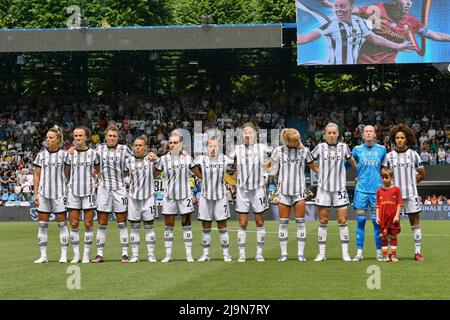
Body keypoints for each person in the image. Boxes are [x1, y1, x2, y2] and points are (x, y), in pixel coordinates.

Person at [319, 0, 450, 64]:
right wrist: (329, 4)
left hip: (388, 63)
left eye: (411, 0)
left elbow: (436, 35)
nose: (408, 3)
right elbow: (349, 10)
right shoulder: (377, 9)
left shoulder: (412, 21)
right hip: (366, 61)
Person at [297, 0, 416, 64]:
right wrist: (286, 37)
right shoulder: (331, 25)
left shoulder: (359, 22)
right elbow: (304, 39)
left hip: (355, 64)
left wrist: (398, 46)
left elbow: (375, 39)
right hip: (334, 66)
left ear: (351, 8)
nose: (338, 10)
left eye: (342, 6)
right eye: (336, 7)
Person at [263, 128, 319, 262]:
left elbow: (314, 167)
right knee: (283, 224)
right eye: (296, 140)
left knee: (301, 223)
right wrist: (261, 171)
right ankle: (283, 254)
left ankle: (300, 254)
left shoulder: (305, 151)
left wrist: (325, 175)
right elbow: (271, 168)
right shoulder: (278, 151)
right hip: (284, 193)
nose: (299, 141)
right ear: (288, 141)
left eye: (299, 138)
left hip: (299, 193)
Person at [311, 122, 357, 262]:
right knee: (323, 220)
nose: (331, 135)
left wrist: (359, 173)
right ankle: (321, 254)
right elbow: (309, 160)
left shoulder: (344, 147)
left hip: (339, 189)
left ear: (338, 134)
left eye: (334, 133)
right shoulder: (320, 147)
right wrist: (317, 170)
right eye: (329, 133)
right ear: (325, 134)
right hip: (323, 189)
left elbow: (353, 162)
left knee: (342, 221)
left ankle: (345, 253)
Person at [154, 130, 202, 263]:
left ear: (181, 144)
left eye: (175, 143)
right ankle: (168, 255)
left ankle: (189, 255)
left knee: (186, 224)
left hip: (184, 196)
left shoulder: (187, 158)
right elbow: (154, 174)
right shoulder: (163, 159)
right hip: (169, 197)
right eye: (170, 143)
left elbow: (198, 174)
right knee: (168, 225)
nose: (172, 145)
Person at [229, 123, 272, 262]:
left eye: (250, 132)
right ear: (242, 135)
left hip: (258, 189)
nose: (247, 135)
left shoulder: (262, 148)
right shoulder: (237, 149)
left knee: (260, 221)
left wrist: (266, 174)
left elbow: (277, 154)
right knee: (242, 223)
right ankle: (242, 254)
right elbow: (225, 161)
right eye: (245, 133)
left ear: (255, 134)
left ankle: (259, 253)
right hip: (242, 190)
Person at [382, 123, 426, 261]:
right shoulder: (388, 157)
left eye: (402, 137)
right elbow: (384, 175)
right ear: (394, 139)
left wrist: (412, 184)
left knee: (415, 223)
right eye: (397, 138)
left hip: (411, 195)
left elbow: (422, 174)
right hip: (393, 197)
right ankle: (392, 253)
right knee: (391, 225)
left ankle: (417, 252)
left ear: (406, 139)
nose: (399, 140)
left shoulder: (414, 155)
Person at [90, 124, 132, 263]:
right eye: (110, 136)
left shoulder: (124, 149)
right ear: (105, 137)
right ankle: (99, 255)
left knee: (122, 221)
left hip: (120, 188)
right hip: (103, 188)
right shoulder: (99, 149)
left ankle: (125, 254)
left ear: (118, 137)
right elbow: (93, 162)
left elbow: (134, 160)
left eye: (114, 136)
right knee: (102, 222)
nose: (112, 138)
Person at [194, 135, 234, 262]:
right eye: (210, 146)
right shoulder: (200, 159)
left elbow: (239, 163)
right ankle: (205, 254)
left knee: (222, 226)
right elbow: (189, 165)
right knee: (206, 226)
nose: (213, 149)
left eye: (215, 146)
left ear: (220, 147)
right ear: (206, 147)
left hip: (221, 196)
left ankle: (226, 254)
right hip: (205, 197)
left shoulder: (225, 159)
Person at [33, 125, 69, 263]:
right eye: (47, 138)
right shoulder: (41, 155)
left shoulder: (64, 155)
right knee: (42, 225)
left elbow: (67, 172)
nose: (48, 140)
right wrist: (35, 193)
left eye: (51, 138)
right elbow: (36, 175)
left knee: (62, 225)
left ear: (58, 139)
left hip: (59, 194)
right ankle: (43, 256)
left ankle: (64, 255)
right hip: (43, 194)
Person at [351, 125, 387, 262]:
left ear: (375, 134)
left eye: (371, 131)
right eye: (366, 131)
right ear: (363, 134)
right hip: (361, 189)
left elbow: (385, 169)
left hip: (377, 190)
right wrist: (357, 175)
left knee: (376, 222)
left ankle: (379, 253)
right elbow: (348, 164)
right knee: (360, 222)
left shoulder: (382, 150)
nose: (368, 133)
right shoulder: (357, 150)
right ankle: (359, 253)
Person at [65, 126, 100, 264]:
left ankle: (86, 254)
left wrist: (95, 175)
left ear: (86, 137)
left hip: (89, 192)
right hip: (73, 192)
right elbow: (65, 172)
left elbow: (98, 170)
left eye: (80, 136)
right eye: (76, 136)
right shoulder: (70, 153)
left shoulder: (93, 153)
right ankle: (76, 255)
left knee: (88, 223)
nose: (78, 138)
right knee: (73, 223)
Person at [125, 135, 158, 263]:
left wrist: (156, 157)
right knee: (134, 227)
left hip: (148, 197)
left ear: (145, 147)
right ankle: (135, 255)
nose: (137, 148)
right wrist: (128, 182)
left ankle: (151, 254)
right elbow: (125, 174)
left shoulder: (151, 159)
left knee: (149, 226)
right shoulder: (128, 161)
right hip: (133, 198)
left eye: (140, 145)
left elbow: (159, 170)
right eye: (136, 145)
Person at [376, 167, 403, 262]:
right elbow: (377, 206)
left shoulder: (396, 189)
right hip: (383, 219)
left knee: (393, 236)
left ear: (392, 177)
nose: (384, 180)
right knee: (384, 237)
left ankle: (393, 255)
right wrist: (377, 217)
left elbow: (399, 204)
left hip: (393, 219)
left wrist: (397, 216)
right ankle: (385, 256)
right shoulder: (379, 191)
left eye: (386, 177)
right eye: (382, 177)